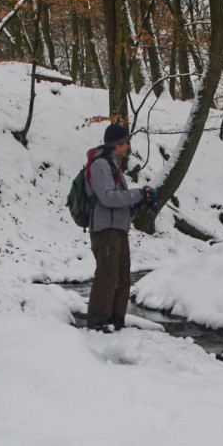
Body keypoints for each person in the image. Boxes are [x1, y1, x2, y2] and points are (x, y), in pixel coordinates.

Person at [86, 123, 156, 332]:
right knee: (107, 276)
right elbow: (107, 198)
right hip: (105, 230)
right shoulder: (100, 165)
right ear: (116, 144)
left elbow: (120, 202)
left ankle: (116, 321)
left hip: (118, 229)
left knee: (123, 278)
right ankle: (98, 323)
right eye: (126, 142)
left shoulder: (114, 165)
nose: (128, 147)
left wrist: (140, 202)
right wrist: (138, 194)